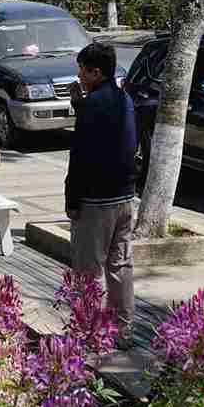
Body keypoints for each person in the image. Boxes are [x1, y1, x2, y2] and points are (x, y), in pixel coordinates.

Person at [65, 42, 137, 350]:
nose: (79, 75)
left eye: (82, 70)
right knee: (120, 265)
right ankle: (123, 329)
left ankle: (89, 331)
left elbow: (80, 155)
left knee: (88, 270)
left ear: (96, 72)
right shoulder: (124, 99)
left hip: (95, 200)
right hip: (124, 195)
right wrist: (81, 105)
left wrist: (72, 199)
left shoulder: (93, 105)